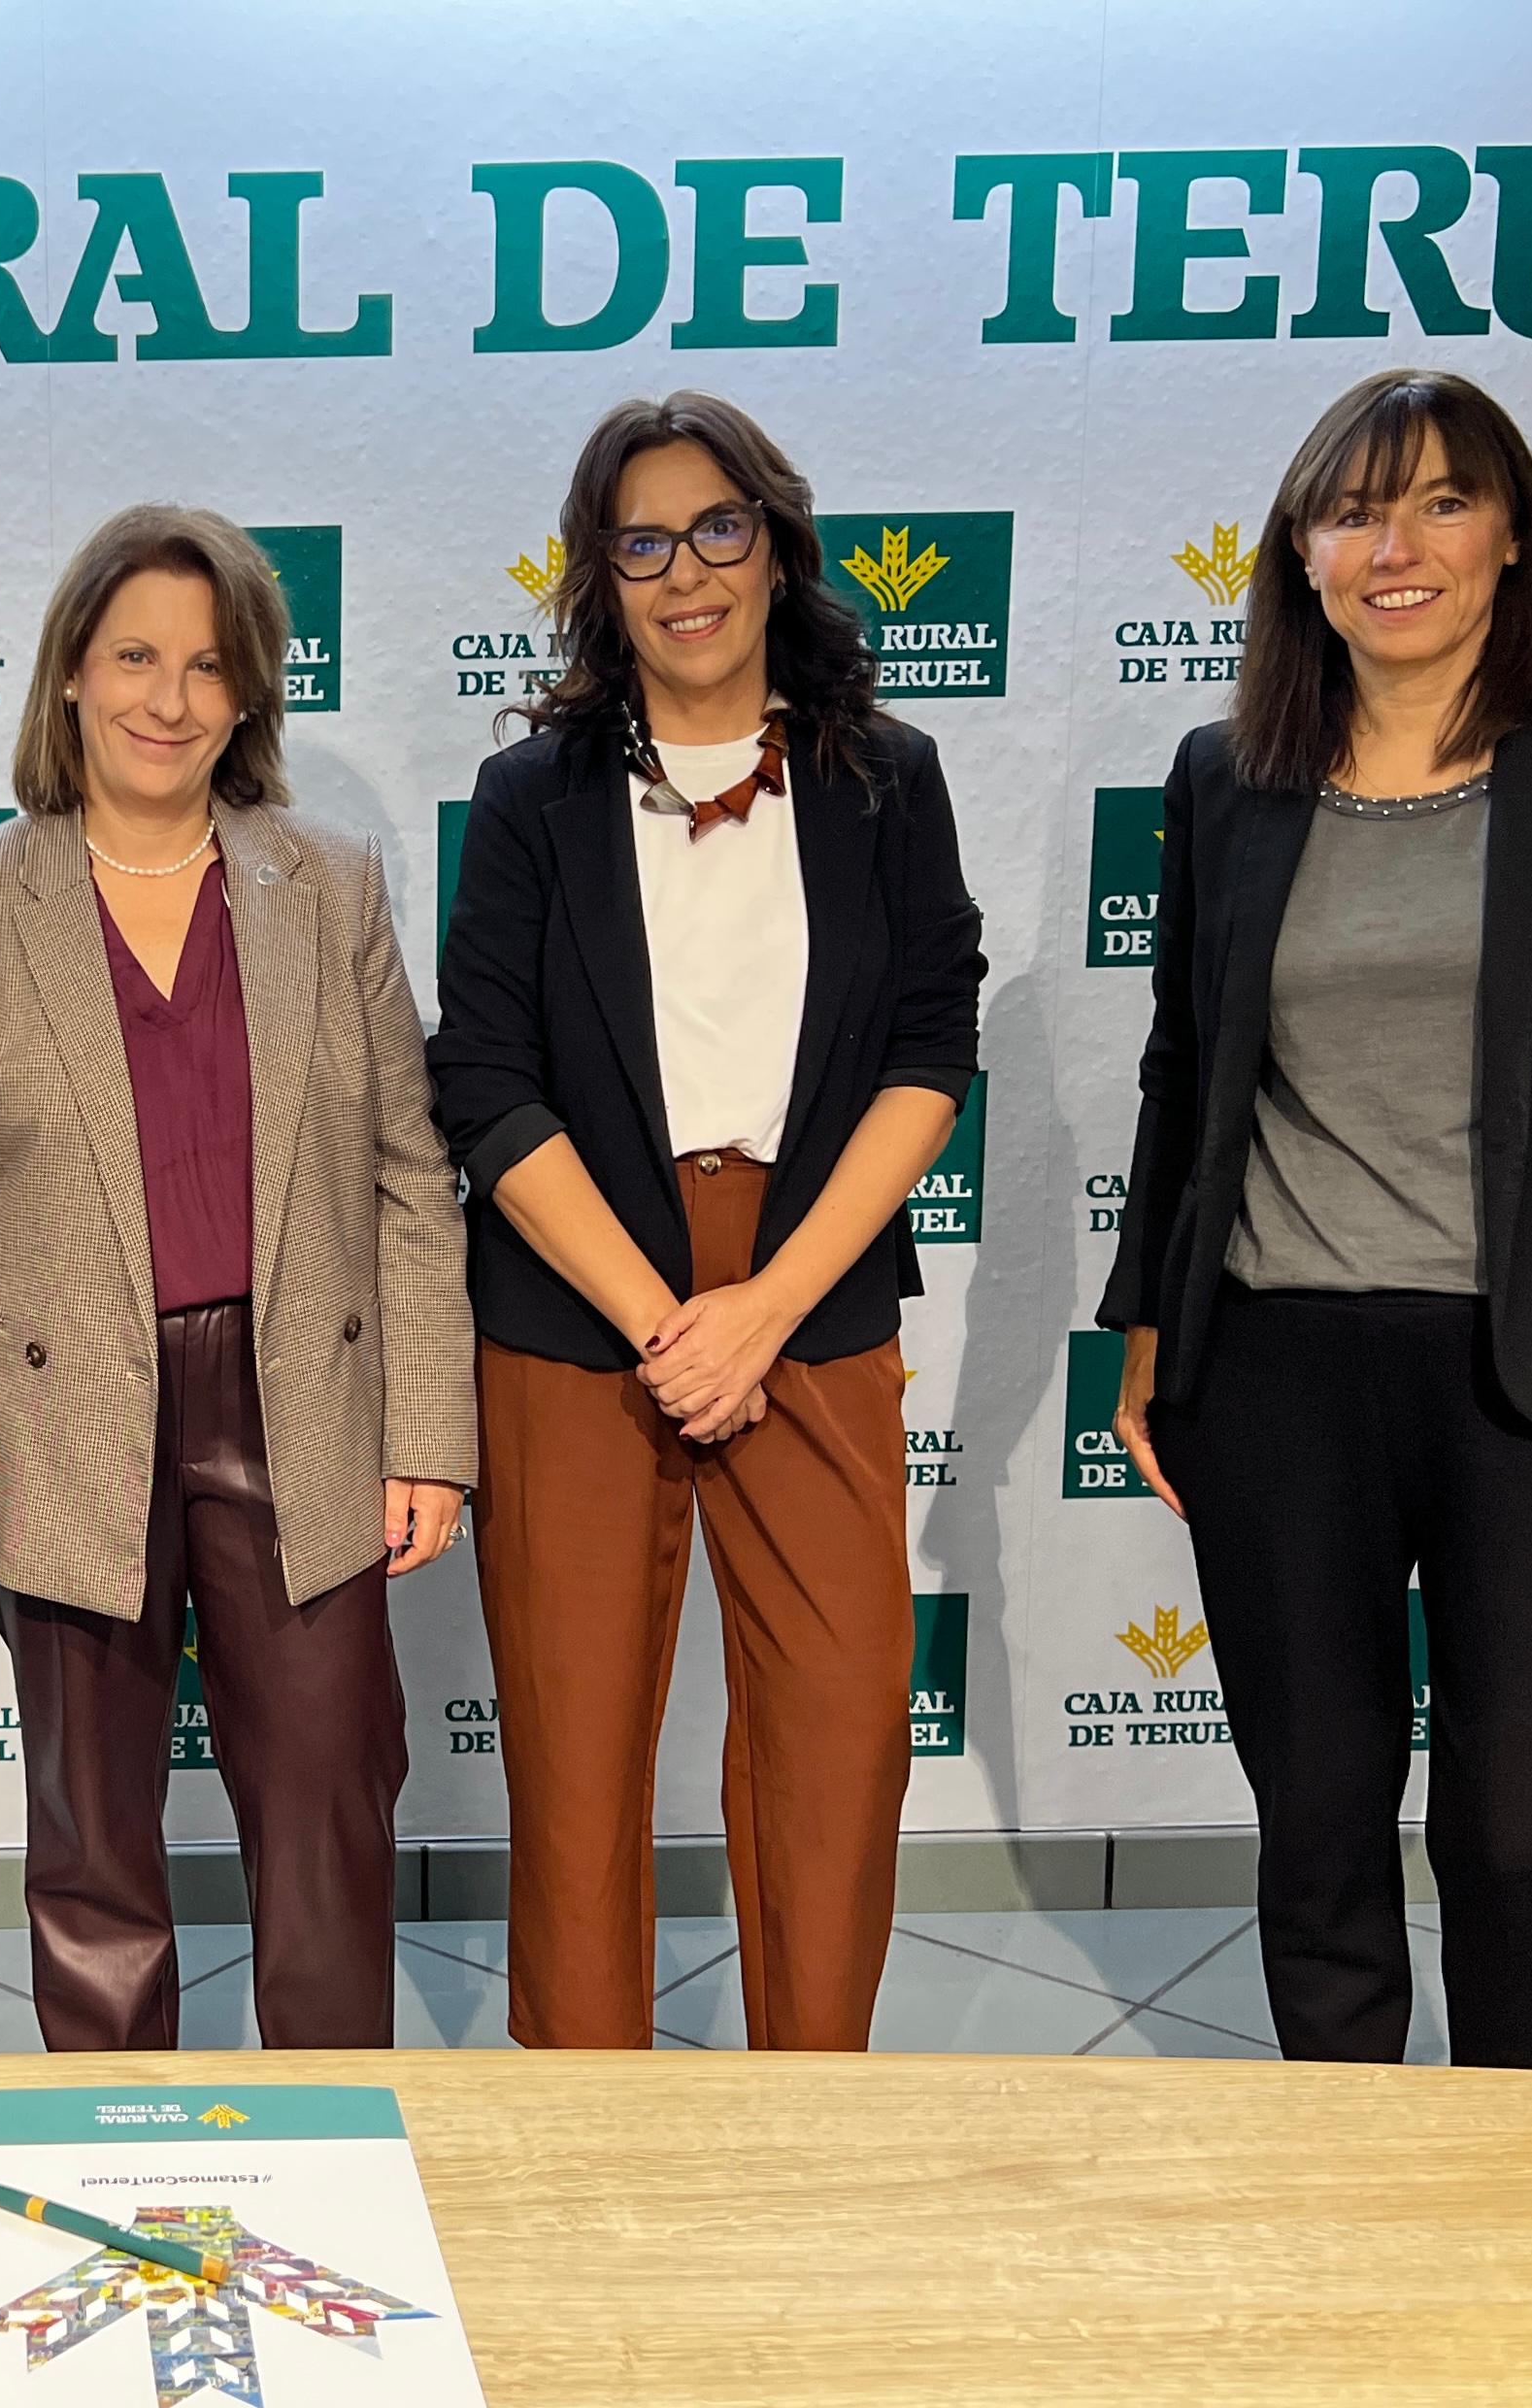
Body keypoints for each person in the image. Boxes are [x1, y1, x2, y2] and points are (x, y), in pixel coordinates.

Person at [1101, 368, 1532, 2071]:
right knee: (1317, 1819)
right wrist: (1146, 1333)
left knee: (1523, 1832)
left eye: (1438, 502)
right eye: (1351, 512)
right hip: (1274, 1364)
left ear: (1509, 539)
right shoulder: (1225, 772)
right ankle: (1349, 2167)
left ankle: (1512, 2169)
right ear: (1300, 552)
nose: (1392, 547)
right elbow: (1185, 1070)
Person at [0, 503, 474, 2051]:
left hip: (299, 1400)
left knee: (330, 1802)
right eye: (135, 655)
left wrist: (427, 1435)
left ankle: (329, 2128)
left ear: (249, 691)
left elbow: (408, 1172)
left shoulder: (331, 884)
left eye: (209, 665)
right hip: (65, 1415)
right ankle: (109, 2138)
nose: (169, 697)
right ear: (71, 671)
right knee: (90, 1832)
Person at [428, 391, 984, 2054]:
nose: (686, 574)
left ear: (775, 545)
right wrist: (662, 1318)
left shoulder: (887, 777)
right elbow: (484, 1082)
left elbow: (930, 1050)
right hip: (577, 1308)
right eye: (642, 542)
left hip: (810, 1296)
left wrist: (762, 1307)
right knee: (574, 1750)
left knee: (839, 1734)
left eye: (717, 529)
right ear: (599, 577)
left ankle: (807, 2110)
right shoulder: (529, 794)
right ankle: (584, 2123)